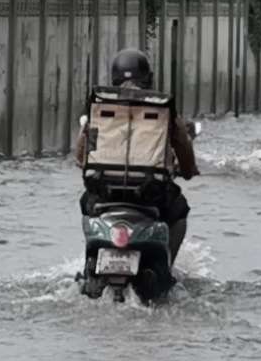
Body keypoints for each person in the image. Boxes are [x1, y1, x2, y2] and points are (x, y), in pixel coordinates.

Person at [75, 49, 199, 264]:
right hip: (151, 194)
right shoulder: (161, 107)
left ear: (114, 77)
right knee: (180, 211)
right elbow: (183, 147)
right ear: (148, 78)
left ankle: (90, 262)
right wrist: (188, 171)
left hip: (104, 194)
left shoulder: (100, 106)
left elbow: (80, 155)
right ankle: (167, 265)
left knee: (86, 205)